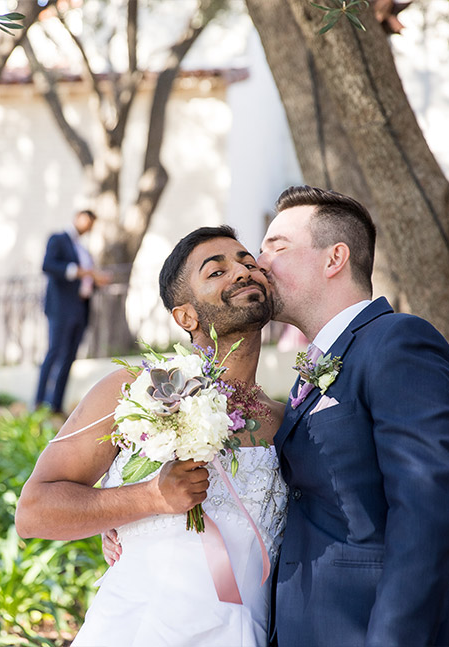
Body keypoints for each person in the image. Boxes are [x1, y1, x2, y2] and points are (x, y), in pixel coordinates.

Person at [16, 226, 288, 647]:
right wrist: (147, 500)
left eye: (249, 263)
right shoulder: (131, 389)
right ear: (186, 316)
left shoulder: (288, 422)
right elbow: (34, 511)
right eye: (216, 271)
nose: (242, 272)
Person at [257, 185, 449, 646]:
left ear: (334, 258)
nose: (260, 264)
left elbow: (428, 510)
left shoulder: (398, 342)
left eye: (277, 247)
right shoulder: (315, 367)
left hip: (375, 627)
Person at [35, 209, 108, 413]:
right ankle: (39, 402)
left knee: (69, 357)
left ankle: (55, 406)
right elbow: (48, 265)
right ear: (78, 218)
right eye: (88, 221)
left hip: (80, 308)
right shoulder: (58, 239)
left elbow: (86, 280)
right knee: (54, 352)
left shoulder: (83, 249)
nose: (89, 227)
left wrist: (96, 280)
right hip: (61, 308)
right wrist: (81, 271)